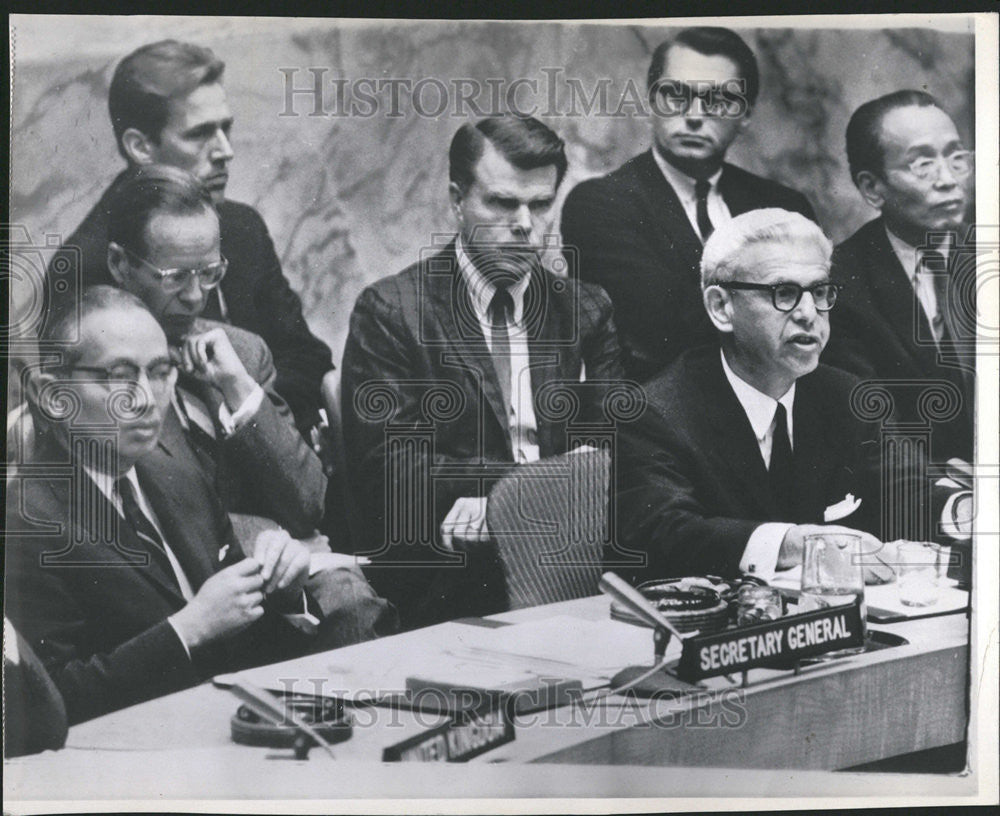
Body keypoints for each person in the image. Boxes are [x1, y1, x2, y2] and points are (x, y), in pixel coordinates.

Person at [5, 287, 394, 725]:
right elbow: (42, 706)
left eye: (160, 371)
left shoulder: (177, 474)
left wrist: (283, 594)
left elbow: (244, 650)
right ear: (51, 394)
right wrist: (189, 629)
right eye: (118, 375)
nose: (148, 399)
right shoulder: (25, 519)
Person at [342, 115, 624, 628]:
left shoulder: (586, 309)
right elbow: (392, 474)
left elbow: (615, 460)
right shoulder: (392, 310)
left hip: (574, 562)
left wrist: (499, 499)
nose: (524, 224)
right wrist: (540, 488)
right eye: (501, 203)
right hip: (452, 573)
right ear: (456, 201)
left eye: (541, 205)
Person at [45, 39, 334, 434]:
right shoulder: (86, 266)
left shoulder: (240, 227)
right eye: (200, 134)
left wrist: (257, 407)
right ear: (140, 146)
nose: (225, 150)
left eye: (225, 129)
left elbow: (307, 356)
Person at [617, 209, 897, 582]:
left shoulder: (845, 394)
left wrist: (964, 510)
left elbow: (906, 487)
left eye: (819, 291)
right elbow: (666, 532)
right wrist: (793, 543)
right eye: (784, 293)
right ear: (721, 308)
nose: (809, 314)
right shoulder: (656, 412)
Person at [561, 26, 815, 383]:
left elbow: (813, 323)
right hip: (659, 422)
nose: (695, 114)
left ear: (745, 116)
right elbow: (661, 330)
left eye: (718, 100)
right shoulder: (601, 204)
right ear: (652, 101)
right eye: (675, 95)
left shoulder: (783, 206)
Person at [97, 163, 325, 538]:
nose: (194, 297)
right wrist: (265, 539)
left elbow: (308, 505)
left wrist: (238, 387)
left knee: (351, 596)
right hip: (180, 583)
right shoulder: (91, 368)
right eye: (175, 278)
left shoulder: (243, 353)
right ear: (119, 264)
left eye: (209, 274)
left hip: (288, 571)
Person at [821, 90, 975, 464]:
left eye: (956, 158)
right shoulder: (841, 282)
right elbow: (869, 428)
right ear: (873, 189)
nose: (948, 180)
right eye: (922, 164)